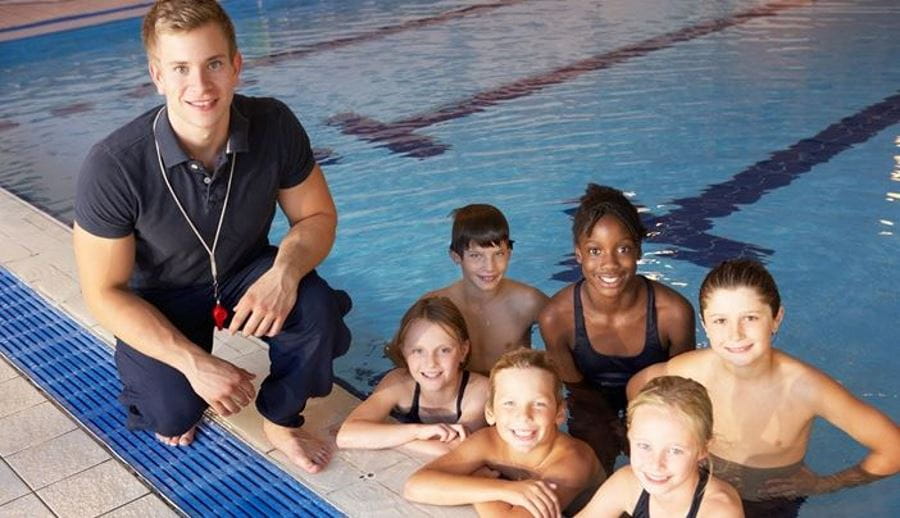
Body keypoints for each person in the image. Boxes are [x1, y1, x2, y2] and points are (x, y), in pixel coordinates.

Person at [72, 0, 351, 474]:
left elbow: (319, 217)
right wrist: (192, 363)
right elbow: (102, 294)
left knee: (317, 311)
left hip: (246, 271)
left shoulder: (273, 125)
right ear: (157, 75)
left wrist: (284, 272)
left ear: (237, 66)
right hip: (162, 296)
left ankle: (280, 418)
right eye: (181, 68)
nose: (200, 87)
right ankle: (171, 384)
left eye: (213, 64)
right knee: (172, 415)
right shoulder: (114, 165)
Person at [628, 259, 900, 517]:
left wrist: (826, 484)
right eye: (721, 320)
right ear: (704, 324)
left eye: (750, 318)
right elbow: (637, 386)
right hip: (695, 492)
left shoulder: (806, 388)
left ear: (776, 318)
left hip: (769, 505)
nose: (735, 334)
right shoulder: (689, 370)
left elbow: (893, 449)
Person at [539, 183, 695, 474]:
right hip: (591, 404)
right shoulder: (556, 318)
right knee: (592, 464)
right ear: (578, 255)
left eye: (622, 249)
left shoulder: (673, 313)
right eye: (595, 251)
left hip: (657, 401)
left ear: (638, 250)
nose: (609, 264)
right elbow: (576, 387)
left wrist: (637, 425)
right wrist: (613, 424)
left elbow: (681, 388)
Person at [403, 348, 603, 518]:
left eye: (539, 404)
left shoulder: (573, 461)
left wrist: (481, 482)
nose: (524, 416)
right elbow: (415, 486)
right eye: (509, 403)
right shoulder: (488, 441)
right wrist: (505, 490)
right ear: (490, 413)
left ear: (559, 414)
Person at [336, 297, 489, 456]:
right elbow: (346, 435)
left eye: (444, 350)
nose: (431, 363)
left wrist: (386, 438)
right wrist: (417, 431)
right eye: (418, 351)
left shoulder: (480, 390)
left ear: (463, 351)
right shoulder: (398, 383)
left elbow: (453, 449)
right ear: (403, 351)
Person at [577, 376, 743, 517]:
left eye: (674, 450)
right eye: (644, 446)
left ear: (703, 449)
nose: (656, 464)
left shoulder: (719, 511)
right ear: (629, 435)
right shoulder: (627, 484)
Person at [424, 204, 548, 375]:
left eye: (498, 254)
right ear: (456, 257)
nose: (489, 267)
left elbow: (570, 339)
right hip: (463, 395)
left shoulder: (528, 302)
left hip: (512, 393)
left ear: (509, 253)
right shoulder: (435, 305)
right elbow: (399, 352)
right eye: (476, 255)